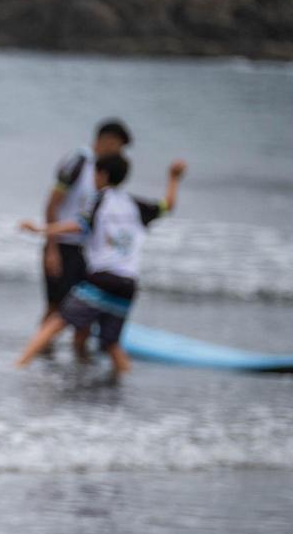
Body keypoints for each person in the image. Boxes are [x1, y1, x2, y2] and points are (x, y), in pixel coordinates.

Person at [16, 154, 187, 376]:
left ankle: (17, 366)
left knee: (57, 322)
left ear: (103, 174)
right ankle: (126, 384)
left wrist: (42, 230)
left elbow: (79, 226)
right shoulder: (135, 204)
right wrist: (173, 178)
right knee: (111, 343)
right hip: (128, 282)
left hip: (102, 278)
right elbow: (167, 206)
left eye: (95, 174)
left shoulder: (99, 199)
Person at [37, 119, 132, 354]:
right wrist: (52, 249)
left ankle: (81, 369)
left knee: (88, 314)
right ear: (106, 141)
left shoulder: (105, 173)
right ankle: (39, 356)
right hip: (63, 247)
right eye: (118, 147)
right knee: (56, 307)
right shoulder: (78, 163)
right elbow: (51, 206)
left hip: (89, 252)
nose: (120, 153)